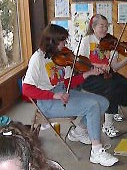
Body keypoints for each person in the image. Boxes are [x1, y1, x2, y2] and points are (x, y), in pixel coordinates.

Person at [22, 24, 118, 167]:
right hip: (47, 102)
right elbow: (26, 89)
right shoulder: (38, 58)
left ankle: (78, 132)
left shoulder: (60, 57)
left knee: (103, 102)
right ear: (52, 42)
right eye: (62, 42)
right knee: (92, 106)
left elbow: (68, 83)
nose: (64, 45)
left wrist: (88, 73)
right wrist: (53, 96)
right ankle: (96, 152)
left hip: (63, 92)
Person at [78, 14, 127, 138]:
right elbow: (81, 63)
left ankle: (112, 108)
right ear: (93, 27)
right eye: (102, 26)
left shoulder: (111, 42)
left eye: (106, 26)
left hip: (106, 74)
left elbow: (114, 67)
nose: (105, 29)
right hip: (89, 76)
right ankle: (107, 124)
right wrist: (98, 66)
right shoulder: (87, 41)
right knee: (112, 86)